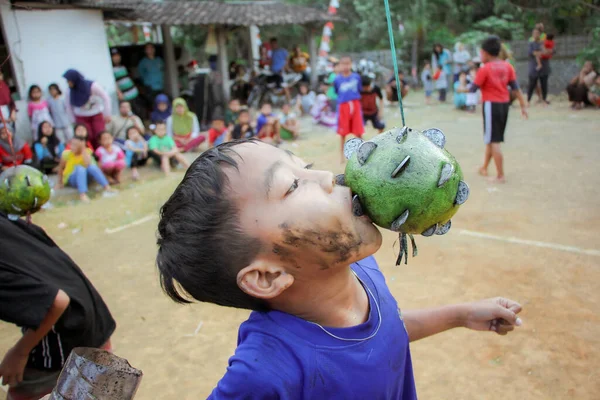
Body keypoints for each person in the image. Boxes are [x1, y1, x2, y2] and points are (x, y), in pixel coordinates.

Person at [155, 139, 524, 399]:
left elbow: (381, 335)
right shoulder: (267, 371)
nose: (331, 176)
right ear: (267, 276)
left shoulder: (360, 270)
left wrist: (460, 315)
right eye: (293, 185)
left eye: (308, 167)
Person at [0, 213, 115, 400]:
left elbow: (57, 301)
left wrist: (19, 352)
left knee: (21, 392)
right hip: (93, 314)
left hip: (68, 331)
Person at [470, 36, 528, 184]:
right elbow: (516, 88)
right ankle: (484, 167)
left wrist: (461, 87)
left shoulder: (485, 69)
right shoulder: (507, 66)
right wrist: (523, 106)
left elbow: (473, 88)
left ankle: (500, 175)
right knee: (492, 138)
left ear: (485, 53)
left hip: (491, 105)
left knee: (494, 140)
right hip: (504, 105)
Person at [57, 128, 115, 203]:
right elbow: (60, 168)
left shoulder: (87, 151)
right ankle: (82, 194)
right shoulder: (66, 154)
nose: (72, 147)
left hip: (86, 177)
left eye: (75, 145)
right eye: (72, 144)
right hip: (72, 178)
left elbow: (88, 164)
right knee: (80, 168)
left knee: (92, 167)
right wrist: (59, 183)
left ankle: (107, 187)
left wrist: (82, 150)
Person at [63, 69, 111, 149]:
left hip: (96, 114)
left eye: (69, 81)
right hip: (81, 116)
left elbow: (106, 98)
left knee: (99, 134)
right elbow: (68, 106)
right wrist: (72, 120)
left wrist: (107, 114)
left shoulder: (92, 86)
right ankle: (91, 154)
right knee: (87, 136)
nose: (68, 83)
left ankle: (101, 153)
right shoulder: (69, 91)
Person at [334, 56, 364, 163]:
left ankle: (363, 153)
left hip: (355, 104)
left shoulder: (356, 77)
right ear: (340, 65)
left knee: (358, 131)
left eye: (348, 64)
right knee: (343, 133)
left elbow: (360, 90)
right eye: (343, 64)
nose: (346, 66)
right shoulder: (337, 79)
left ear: (351, 64)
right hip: (343, 106)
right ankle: (341, 156)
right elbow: (337, 91)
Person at [110, 48, 142, 118]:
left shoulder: (123, 66)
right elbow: (113, 83)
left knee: (139, 111)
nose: (117, 58)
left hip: (134, 93)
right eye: (114, 56)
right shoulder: (111, 69)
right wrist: (119, 93)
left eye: (118, 56)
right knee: (131, 114)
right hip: (126, 96)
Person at [527, 28, 551, 105]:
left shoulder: (544, 43)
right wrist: (541, 53)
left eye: (537, 33)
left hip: (544, 66)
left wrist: (541, 52)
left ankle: (544, 99)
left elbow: (549, 52)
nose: (535, 34)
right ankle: (528, 100)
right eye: (534, 33)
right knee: (532, 83)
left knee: (544, 83)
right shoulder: (531, 44)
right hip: (534, 67)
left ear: (539, 34)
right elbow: (532, 53)